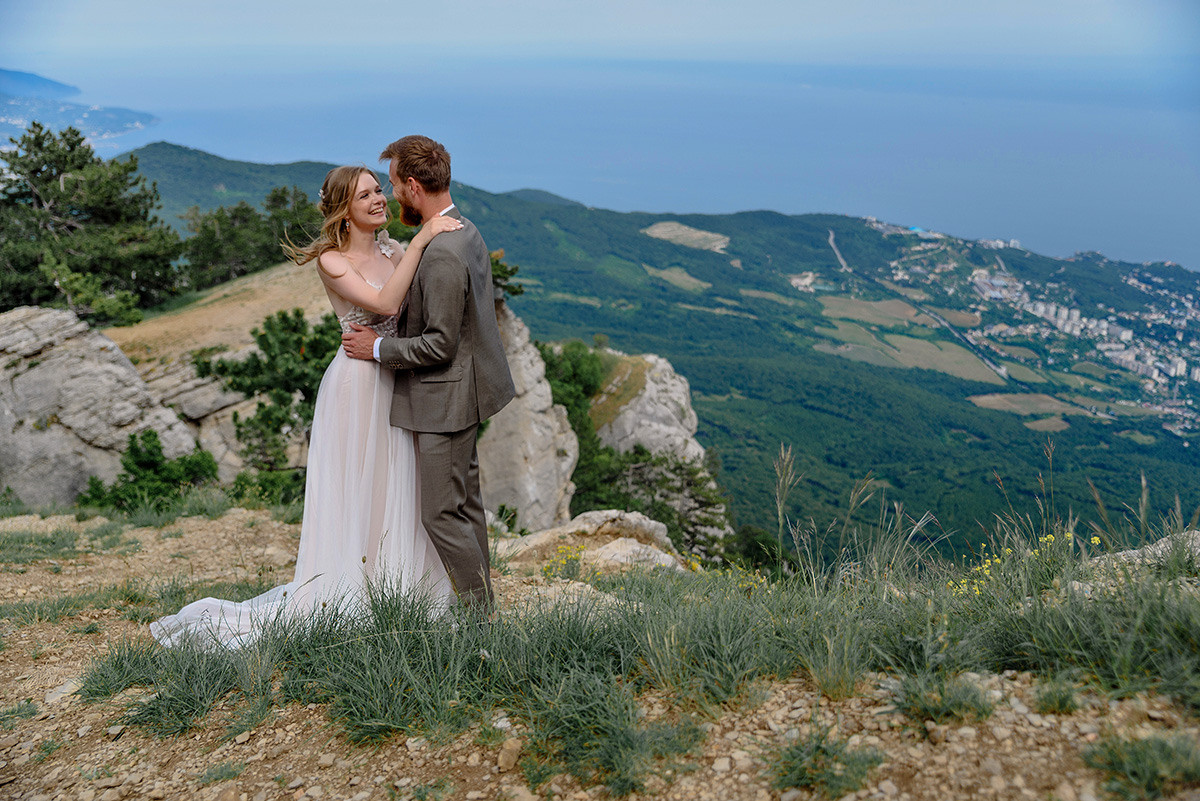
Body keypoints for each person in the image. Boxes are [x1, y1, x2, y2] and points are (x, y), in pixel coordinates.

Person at [151, 166, 461, 648]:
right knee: (359, 485)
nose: (379, 199)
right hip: (357, 385)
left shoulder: (394, 251)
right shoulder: (332, 260)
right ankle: (352, 592)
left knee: (396, 481)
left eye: (379, 189)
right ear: (344, 210)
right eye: (365, 195)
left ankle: (399, 589)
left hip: (395, 375)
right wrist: (423, 239)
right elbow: (384, 304)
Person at [342, 135, 515, 611]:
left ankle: (480, 617)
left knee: (439, 513)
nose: (391, 194)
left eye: (394, 185)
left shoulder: (441, 252)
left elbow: (440, 343)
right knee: (466, 504)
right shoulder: (464, 229)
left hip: (446, 401)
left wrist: (377, 347)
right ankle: (484, 607)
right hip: (468, 390)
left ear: (413, 186)